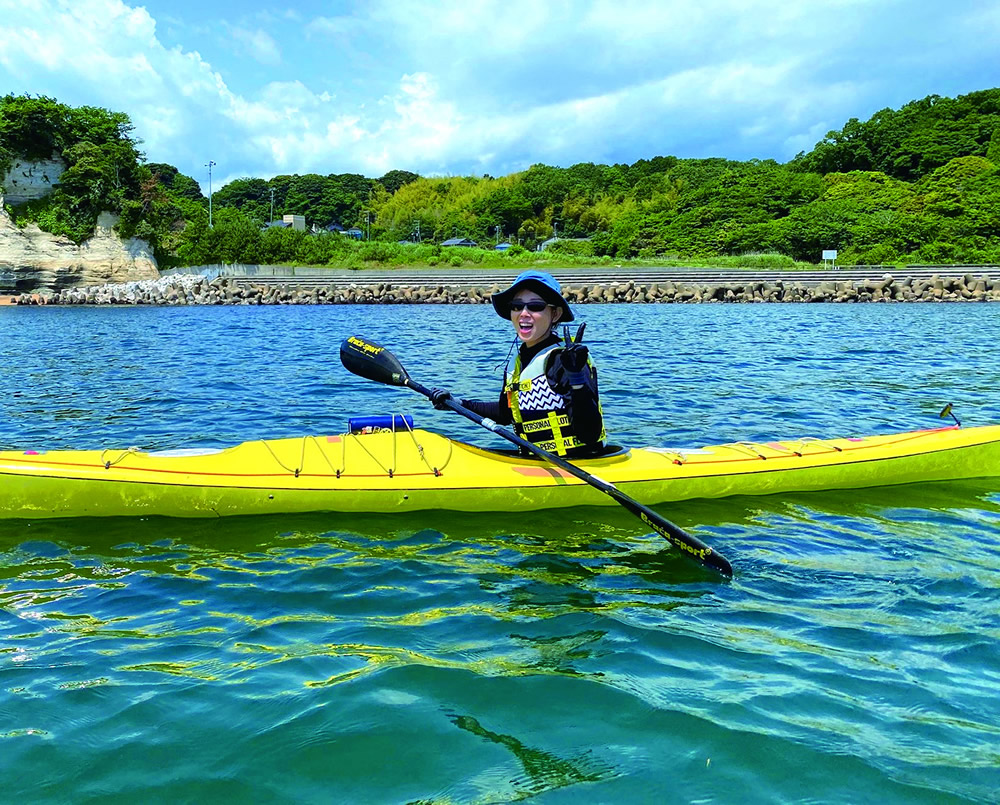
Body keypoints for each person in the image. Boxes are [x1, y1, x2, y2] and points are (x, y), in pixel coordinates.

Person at [430, 270, 606, 458]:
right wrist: (457, 403)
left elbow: (589, 434)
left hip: (578, 463)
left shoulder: (566, 360)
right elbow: (505, 414)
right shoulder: (518, 363)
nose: (524, 314)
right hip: (535, 462)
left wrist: (577, 378)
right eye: (516, 306)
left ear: (555, 314)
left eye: (535, 306)